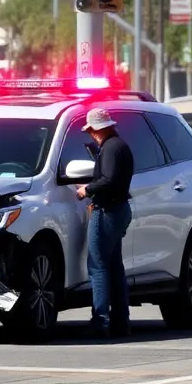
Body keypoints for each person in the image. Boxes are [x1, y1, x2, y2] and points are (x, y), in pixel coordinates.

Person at [75, 108, 135, 337]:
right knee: (114, 267)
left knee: (97, 266)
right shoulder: (119, 146)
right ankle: (121, 322)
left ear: (97, 129)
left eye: (91, 130)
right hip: (118, 210)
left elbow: (108, 180)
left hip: (107, 211)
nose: (91, 135)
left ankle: (100, 322)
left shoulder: (110, 148)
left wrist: (86, 190)